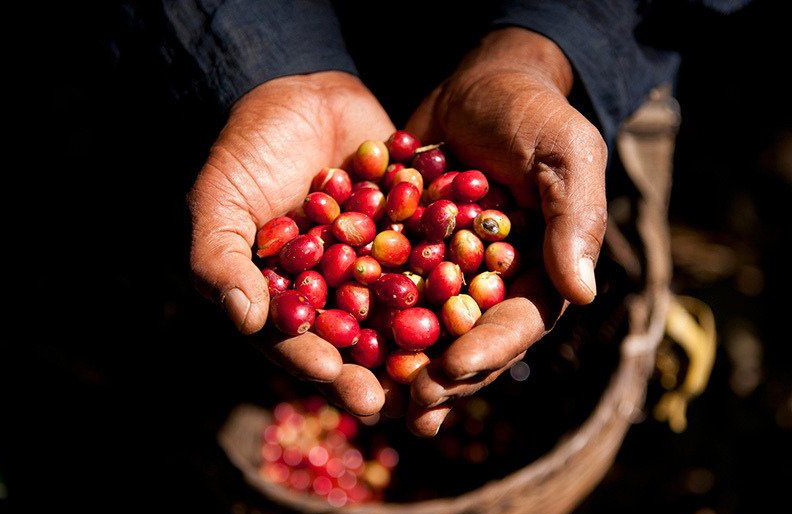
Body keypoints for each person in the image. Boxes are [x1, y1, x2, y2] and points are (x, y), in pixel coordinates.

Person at [164, 0, 752, 437]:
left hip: (545, 96)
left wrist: (550, 43)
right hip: (292, 67)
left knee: (576, 230)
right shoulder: (403, 234)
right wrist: (257, 63)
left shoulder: (414, 229)